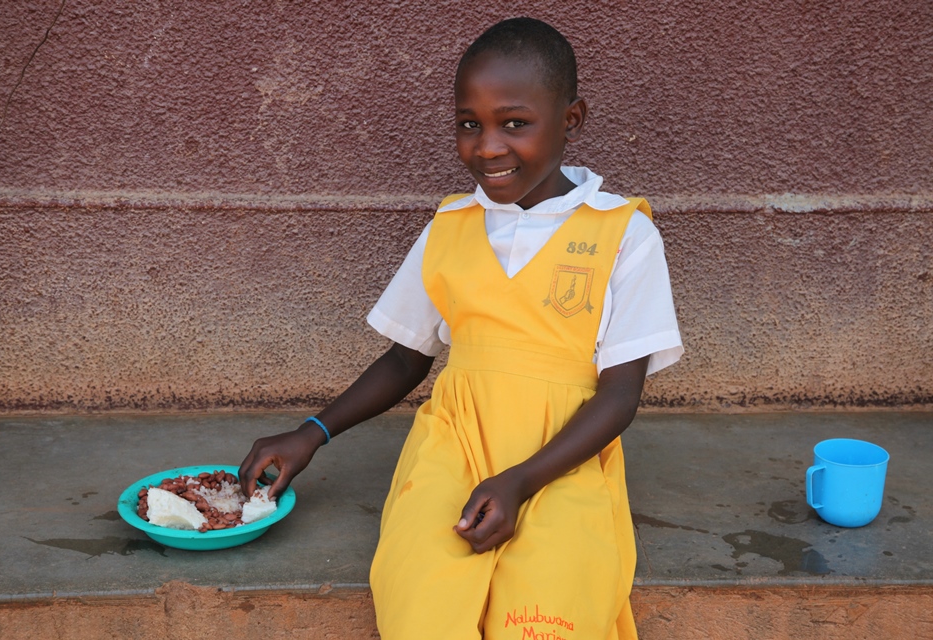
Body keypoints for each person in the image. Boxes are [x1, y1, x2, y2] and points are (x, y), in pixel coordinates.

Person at [240, 17, 683, 640]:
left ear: (571, 119)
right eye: (469, 124)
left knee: (550, 615)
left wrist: (521, 481)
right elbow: (406, 358)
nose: (488, 147)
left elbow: (619, 396)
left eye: (514, 123)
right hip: (453, 445)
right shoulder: (449, 226)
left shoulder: (623, 233)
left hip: (562, 458)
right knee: (419, 603)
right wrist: (311, 433)